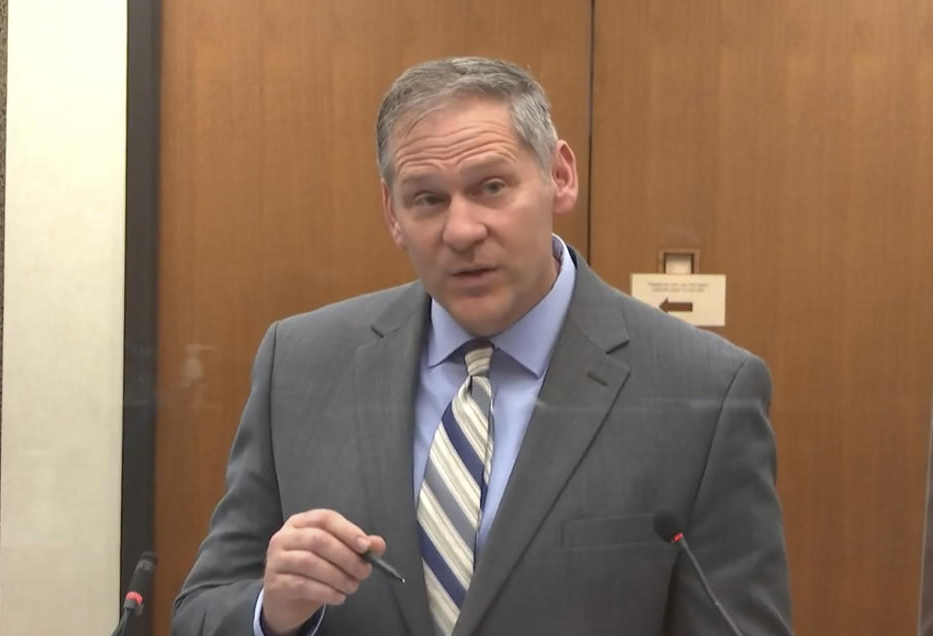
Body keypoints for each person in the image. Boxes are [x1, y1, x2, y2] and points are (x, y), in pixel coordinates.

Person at [171, 56, 792, 636]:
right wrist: (273, 612)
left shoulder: (706, 391)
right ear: (392, 213)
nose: (462, 230)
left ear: (560, 176)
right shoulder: (301, 363)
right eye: (428, 199)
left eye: (491, 187)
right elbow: (200, 610)